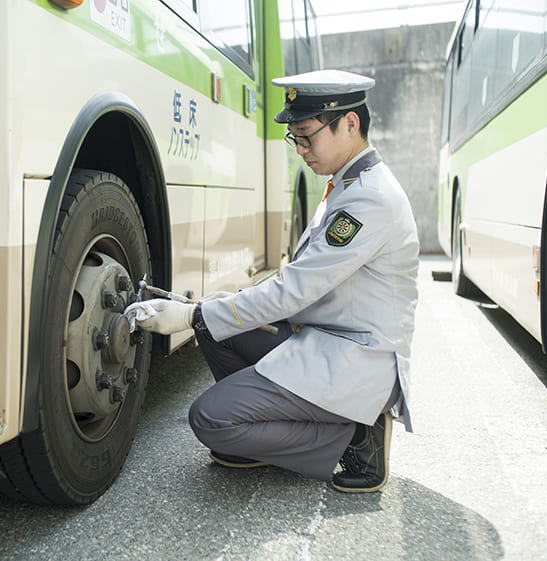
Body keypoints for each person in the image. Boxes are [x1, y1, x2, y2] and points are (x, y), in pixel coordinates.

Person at [126, 69, 419, 493]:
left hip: (351, 360)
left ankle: (356, 434)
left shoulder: (369, 198)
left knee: (209, 418)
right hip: (322, 338)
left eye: (307, 136)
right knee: (215, 320)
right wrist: (201, 311)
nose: (300, 149)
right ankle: (263, 435)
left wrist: (189, 313)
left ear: (349, 124)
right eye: (294, 138)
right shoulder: (346, 183)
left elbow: (294, 290)